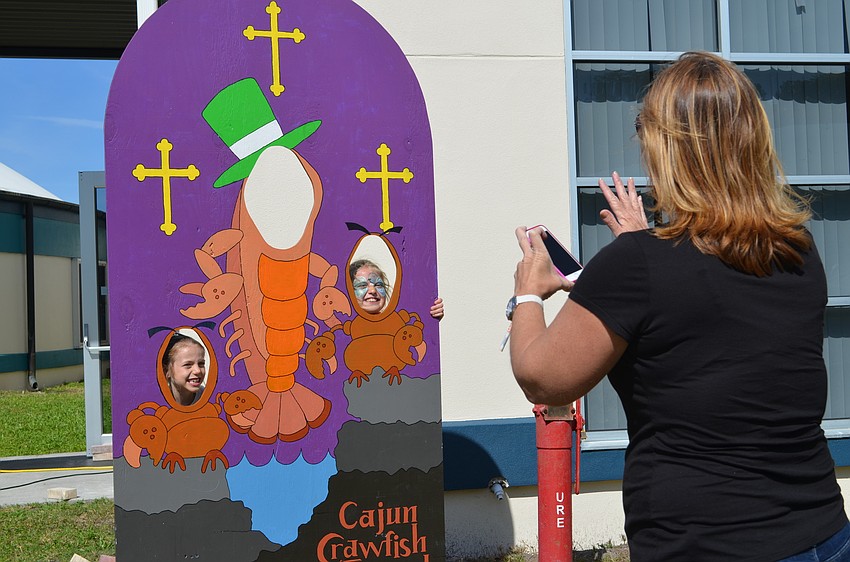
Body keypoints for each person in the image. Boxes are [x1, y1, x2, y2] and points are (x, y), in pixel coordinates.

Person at [509, 51, 848, 561]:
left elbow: (543, 377)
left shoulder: (642, 266)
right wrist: (640, 252)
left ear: (669, 151)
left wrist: (528, 293)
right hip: (821, 532)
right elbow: (704, 317)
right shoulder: (796, 248)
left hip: (707, 543)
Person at [349, 258, 444, 319]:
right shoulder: (343, 324)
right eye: (362, 286)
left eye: (378, 285)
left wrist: (431, 315)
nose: (373, 291)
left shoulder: (396, 320)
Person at [161, 332, 207, 406]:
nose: (197, 370)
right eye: (188, 365)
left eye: (201, 364)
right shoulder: (158, 401)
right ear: (167, 371)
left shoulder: (209, 398)